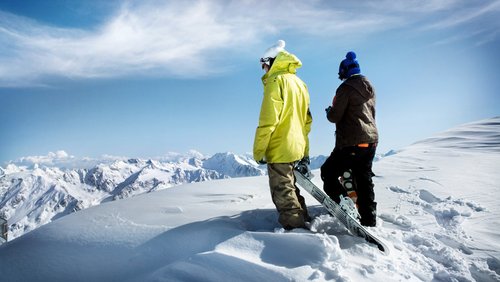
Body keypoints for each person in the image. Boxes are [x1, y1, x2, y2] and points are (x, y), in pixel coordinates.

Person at [253, 40, 313, 230]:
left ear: (271, 61)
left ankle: (296, 231)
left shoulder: (275, 82)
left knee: (282, 191)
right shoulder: (300, 83)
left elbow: (268, 121)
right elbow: (307, 121)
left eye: (264, 65)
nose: (263, 70)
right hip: (296, 145)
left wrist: (259, 151)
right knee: (291, 187)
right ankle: (305, 220)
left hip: (280, 146)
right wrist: (305, 151)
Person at [321, 51, 379, 227]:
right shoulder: (369, 87)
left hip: (351, 142)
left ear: (344, 71)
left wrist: (329, 110)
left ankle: (347, 207)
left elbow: (335, 116)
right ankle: (369, 219)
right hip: (371, 141)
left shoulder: (345, 88)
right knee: (364, 179)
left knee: (328, 173)